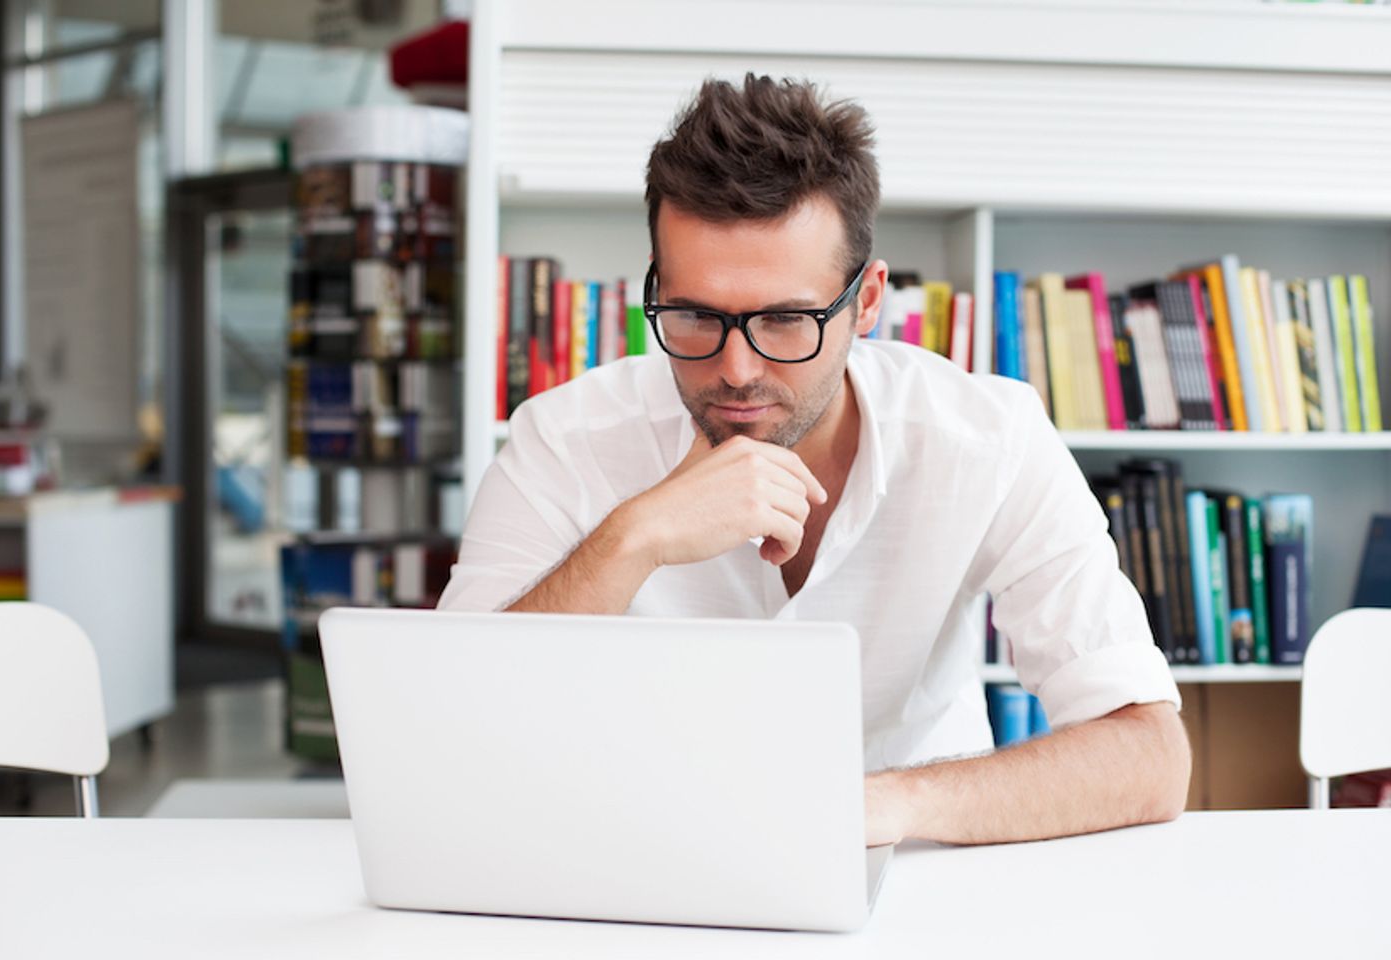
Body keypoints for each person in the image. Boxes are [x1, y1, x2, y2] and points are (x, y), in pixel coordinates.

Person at [439, 74, 1190, 846]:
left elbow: (1148, 755)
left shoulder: (987, 437)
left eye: (787, 319)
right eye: (696, 316)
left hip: (918, 875)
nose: (735, 369)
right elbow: (443, 727)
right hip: (631, 865)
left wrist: (879, 808)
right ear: (655, 292)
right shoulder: (565, 440)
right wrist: (634, 538)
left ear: (866, 303)